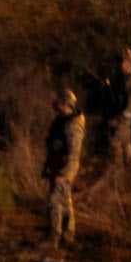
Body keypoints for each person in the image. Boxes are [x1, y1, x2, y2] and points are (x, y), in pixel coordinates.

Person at [41, 87, 85, 250]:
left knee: (54, 200)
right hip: (56, 165)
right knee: (65, 200)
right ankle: (68, 235)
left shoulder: (73, 126)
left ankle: (54, 236)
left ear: (66, 105)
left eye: (59, 103)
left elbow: (74, 154)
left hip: (65, 168)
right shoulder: (61, 120)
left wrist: (65, 174)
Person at [106, 47, 131, 166]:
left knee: (115, 144)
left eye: (124, 62)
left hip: (126, 118)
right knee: (126, 144)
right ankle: (130, 171)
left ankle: (116, 171)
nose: (121, 64)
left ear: (130, 64)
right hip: (119, 114)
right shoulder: (120, 79)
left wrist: (123, 118)